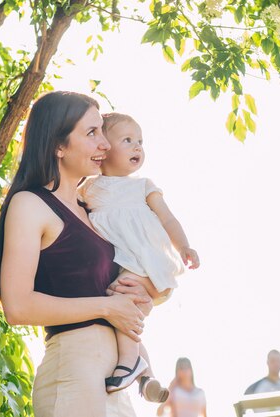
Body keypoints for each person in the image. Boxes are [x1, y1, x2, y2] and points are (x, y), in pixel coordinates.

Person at [0, 91, 154, 417]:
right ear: (58, 146)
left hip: (111, 378)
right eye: (92, 133)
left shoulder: (93, 210)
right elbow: (17, 306)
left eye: (103, 133)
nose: (105, 145)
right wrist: (109, 306)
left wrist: (142, 295)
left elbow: (115, 285)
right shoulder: (30, 204)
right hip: (73, 372)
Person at [78, 113, 200, 400]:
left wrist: (184, 247)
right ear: (104, 148)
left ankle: (130, 363)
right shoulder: (87, 189)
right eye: (128, 140)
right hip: (123, 267)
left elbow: (168, 219)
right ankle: (146, 377)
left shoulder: (143, 186)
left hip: (146, 264)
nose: (137, 148)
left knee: (120, 300)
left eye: (140, 142)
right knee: (121, 313)